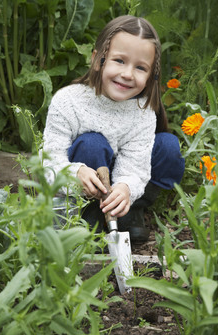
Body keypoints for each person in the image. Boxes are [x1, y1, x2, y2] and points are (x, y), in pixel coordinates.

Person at [42, 15, 185, 242]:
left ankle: (129, 211)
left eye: (140, 67)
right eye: (119, 61)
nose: (127, 74)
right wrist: (75, 173)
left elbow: (135, 167)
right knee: (92, 142)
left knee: (168, 146)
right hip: (85, 180)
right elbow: (49, 161)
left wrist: (126, 188)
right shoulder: (68, 101)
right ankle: (88, 212)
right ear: (98, 59)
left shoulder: (143, 112)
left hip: (121, 182)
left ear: (151, 77)